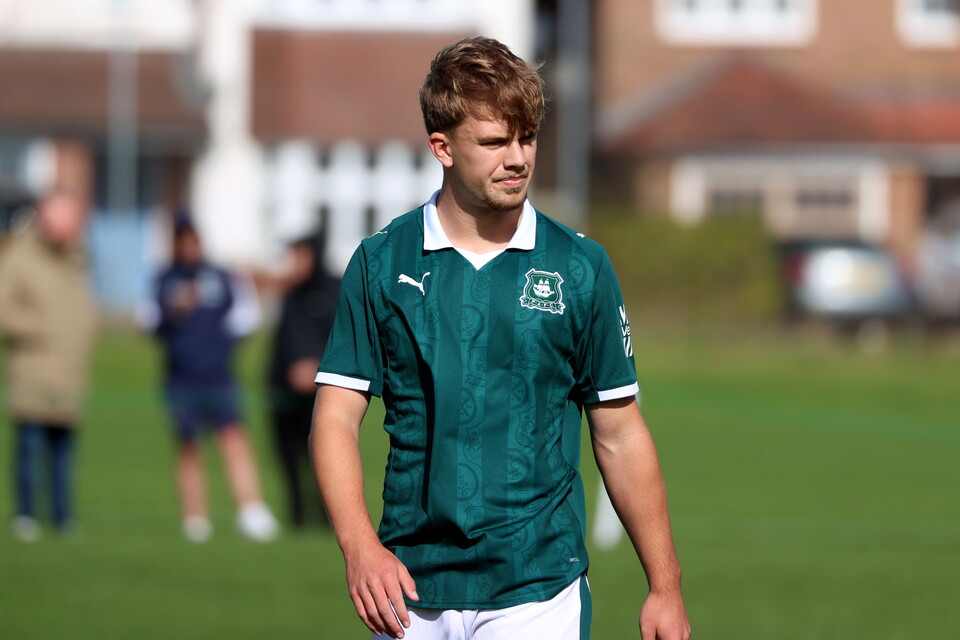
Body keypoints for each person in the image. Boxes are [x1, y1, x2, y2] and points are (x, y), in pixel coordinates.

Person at [309, 37, 691, 640]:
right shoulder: (381, 263)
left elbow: (619, 433)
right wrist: (359, 546)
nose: (517, 158)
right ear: (442, 147)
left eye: (527, 138)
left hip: (537, 586)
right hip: (407, 587)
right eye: (493, 142)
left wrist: (665, 587)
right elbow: (334, 417)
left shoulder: (579, 267)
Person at [140, 215, 279, 543]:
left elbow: (245, 319)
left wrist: (219, 347)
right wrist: (175, 312)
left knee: (233, 438)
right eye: (181, 240)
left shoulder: (221, 275)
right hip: (180, 378)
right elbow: (148, 321)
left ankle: (251, 511)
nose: (188, 246)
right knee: (188, 445)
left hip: (219, 375)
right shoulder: (164, 279)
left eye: (193, 239)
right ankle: (195, 518)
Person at [0, 188, 98, 540]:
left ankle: (62, 516)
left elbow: (82, 307)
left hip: (69, 372)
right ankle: (25, 514)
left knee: (64, 452)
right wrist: (44, 329)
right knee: (29, 448)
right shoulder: (17, 256)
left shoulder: (77, 258)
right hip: (32, 370)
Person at [259, 225, 340, 530]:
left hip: (321, 392)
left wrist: (317, 368)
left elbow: (342, 339)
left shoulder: (334, 289)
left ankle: (328, 517)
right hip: (285, 391)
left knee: (324, 455)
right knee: (287, 454)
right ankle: (297, 517)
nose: (294, 262)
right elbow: (282, 341)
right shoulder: (290, 293)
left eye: (300, 255)